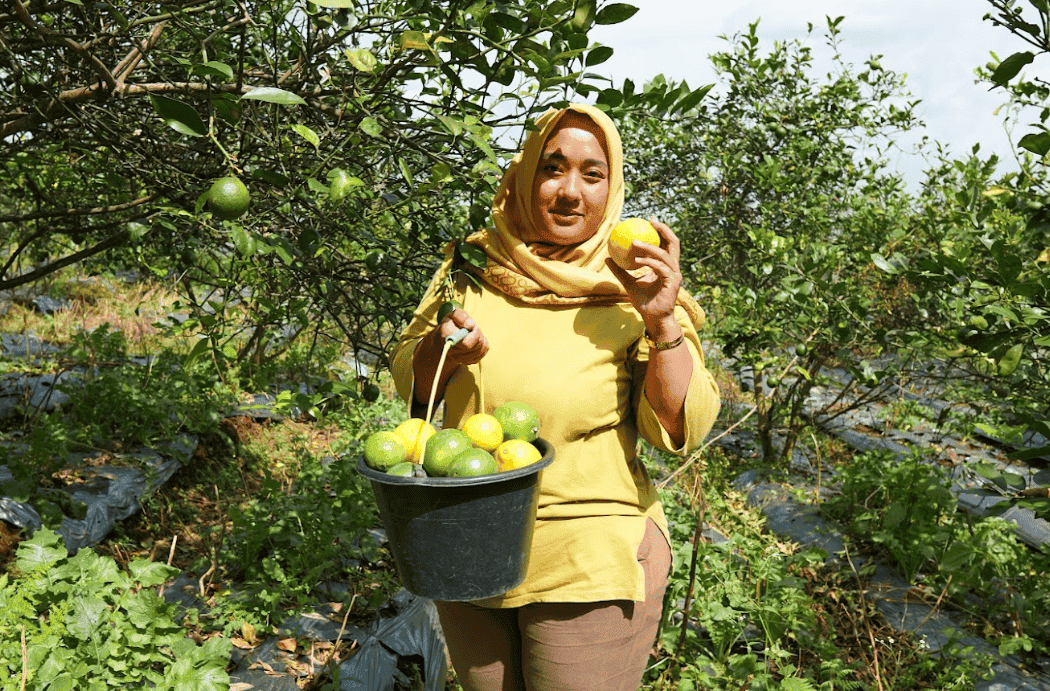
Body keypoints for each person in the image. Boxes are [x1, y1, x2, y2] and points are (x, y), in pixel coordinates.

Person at [390, 103, 721, 691]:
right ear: (523, 178)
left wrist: (662, 322)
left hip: (587, 546)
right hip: (470, 534)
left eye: (592, 174)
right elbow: (412, 387)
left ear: (612, 186)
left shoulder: (634, 284)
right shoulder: (471, 266)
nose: (571, 191)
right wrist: (438, 353)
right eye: (554, 168)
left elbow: (678, 426)